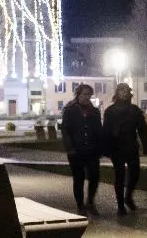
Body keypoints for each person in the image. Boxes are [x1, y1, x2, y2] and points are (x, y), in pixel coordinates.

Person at [102, 83, 147, 216]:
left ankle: (128, 196)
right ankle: (120, 205)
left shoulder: (134, 110)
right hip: (116, 147)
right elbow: (105, 131)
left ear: (129, 93)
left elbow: (142, 129)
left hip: (131, 146)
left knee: (135, 173)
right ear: (117, 93)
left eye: (126, 91)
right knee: (119, 175)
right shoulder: (110, 111)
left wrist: (146, 145)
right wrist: (105, 149)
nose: (124, 93)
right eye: (121, 91)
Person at [61, 84, 104, 216]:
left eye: (89, 95)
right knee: (78, 179)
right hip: (76, 151)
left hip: (92, 150)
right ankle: (80, 205)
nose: (87, 97)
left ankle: (90, 202)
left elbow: (99, 131)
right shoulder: (70, 110)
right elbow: (65, 130)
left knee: (95, 177)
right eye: (84, 94)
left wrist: (100, 148)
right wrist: (70, 148)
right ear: (78, 94)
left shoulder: (94, 111)